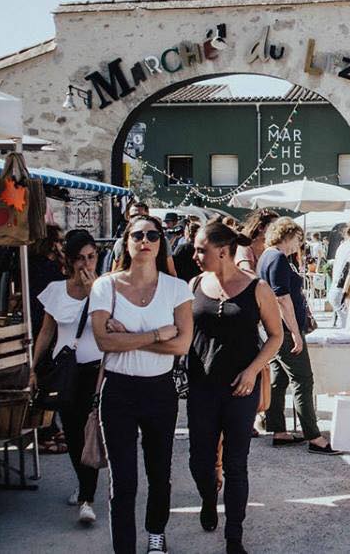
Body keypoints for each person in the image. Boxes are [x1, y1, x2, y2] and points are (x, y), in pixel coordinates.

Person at [91, 214, 194, 554]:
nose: (145, 241)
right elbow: (104, 342)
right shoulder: (105, 285)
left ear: (161, 241)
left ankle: (155, 533)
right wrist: (155, 335)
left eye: (152, 235)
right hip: (118, 390)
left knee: (158, 473)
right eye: (138, 235)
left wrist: (131, 337)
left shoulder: (177, 289)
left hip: (159, 389)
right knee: (123, 481)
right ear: (127, 241)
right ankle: (124, 548)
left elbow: (181, 346)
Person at [188, 220, 284, 554]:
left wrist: (253, 371)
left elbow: (276, 336)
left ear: (224, 251)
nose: (195, 254)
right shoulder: (195, 283)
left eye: (202, 249)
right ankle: (208, 496)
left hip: (240, 389)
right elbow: (182, 331)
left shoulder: (257, 288)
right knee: (200, 461)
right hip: (201, 387)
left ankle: (234, 536)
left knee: (236, 463)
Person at [28, 229, 101, 525]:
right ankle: (83, 485)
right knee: (71, 434)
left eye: (92, 257)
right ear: (70, 262)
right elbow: (46, 331)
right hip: (66, 372)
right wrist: (33, 368)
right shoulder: (56, 290)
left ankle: (87, 497)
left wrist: (97, 291)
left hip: (96, 369)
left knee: (90, 433)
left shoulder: (105, 288)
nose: (86, 264)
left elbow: (112, 325)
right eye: (80, 259)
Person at [257, 218, 338, 454]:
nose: (298, 244)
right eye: (297, 239)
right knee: (303, 379)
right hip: (283, 329)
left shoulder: (267, 256)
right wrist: (295, 332)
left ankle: (278, 430)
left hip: (273, 328)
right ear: (287, 235)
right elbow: (282, 298)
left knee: (279, 379)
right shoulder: (278, 258)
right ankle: (314, 436)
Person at [28, 223, 69, 455]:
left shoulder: (35, 265)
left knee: (46, 379)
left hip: (38, 323)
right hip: (42, 325)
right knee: (46, 380)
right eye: (59, 241)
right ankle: (46, 430)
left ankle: (50, 427)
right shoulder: (47, 268)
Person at [109, 202, 177, 276]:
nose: (137, 218)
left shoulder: (161, 241)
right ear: (128, 218)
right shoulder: (121, 243)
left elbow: (171, 271)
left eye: (141, 216)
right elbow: (115, 271)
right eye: (133, 216)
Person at [235, 209, 279, 273]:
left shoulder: (270, 249)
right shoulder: (245, 247)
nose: (278, 231)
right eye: (274, 227)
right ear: (260, 228)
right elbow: (249, 276)